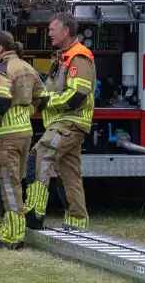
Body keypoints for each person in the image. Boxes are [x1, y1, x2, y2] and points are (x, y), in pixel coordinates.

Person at [25, 12, 95, 230]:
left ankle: (34, 212)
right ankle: (77, 222)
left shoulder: (78, 57)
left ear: (66, 31)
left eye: (52, 29)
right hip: (64, 123)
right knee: (69, 173)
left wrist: (47, 101)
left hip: (69, 122)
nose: (49, 33)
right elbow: (50, 91)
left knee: (40, 155)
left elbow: (77, 96)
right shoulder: (62, 56)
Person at [0, 31, 42, 249]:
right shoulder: (28, 67)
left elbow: (2, 99)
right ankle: (13, 230)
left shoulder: (2, 70)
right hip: (25, 132)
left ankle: (14, 235)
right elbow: (42, 97)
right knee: (16, 180)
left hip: (5, 135)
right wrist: (27, 112)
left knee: (8, 183)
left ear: (0, 48)